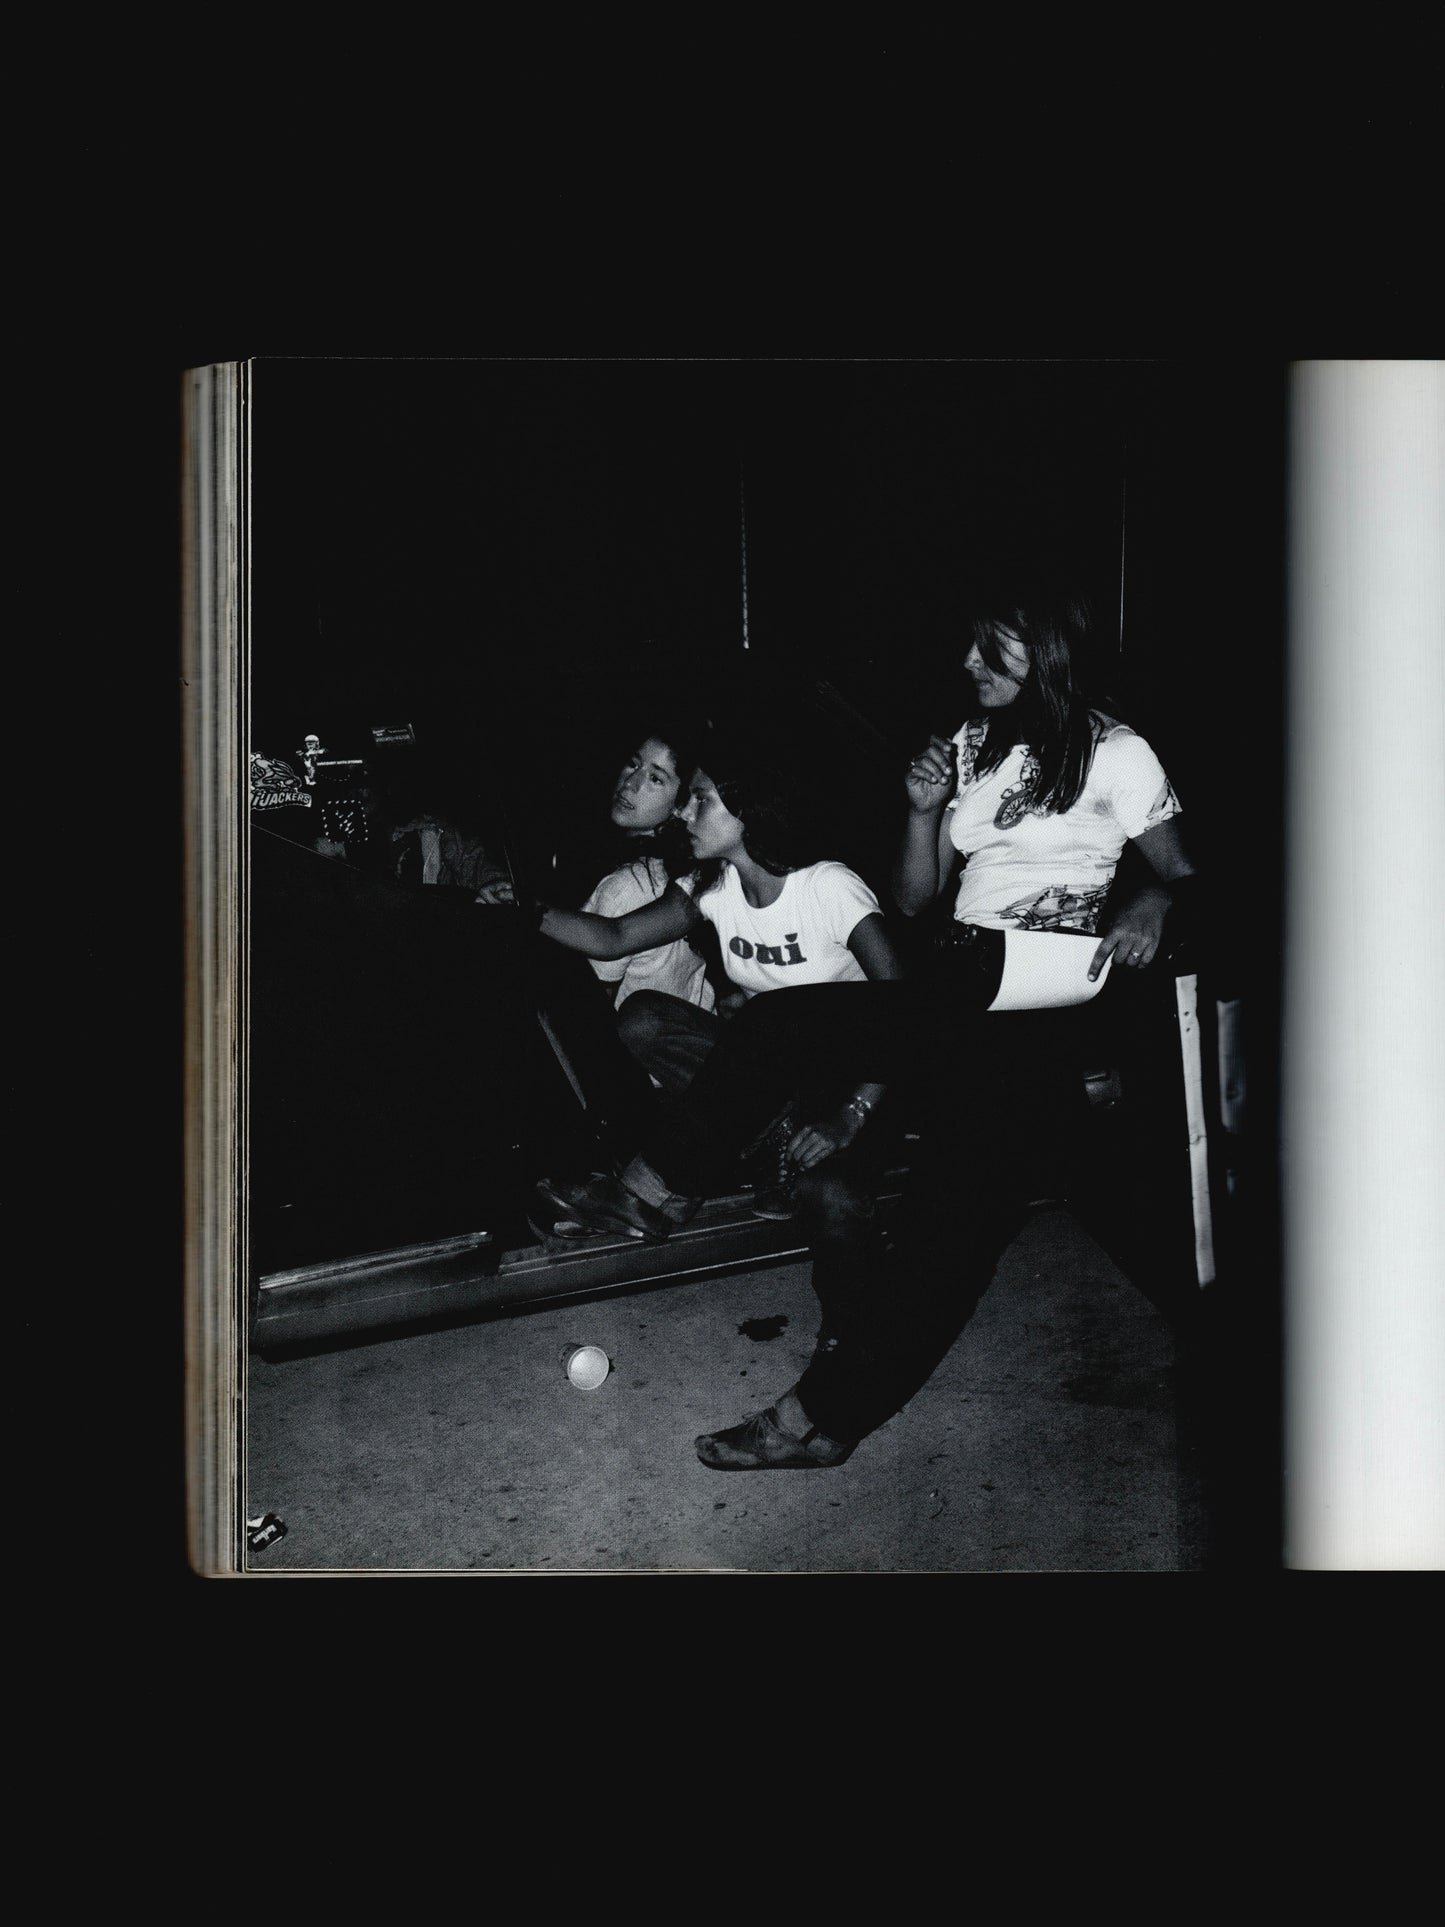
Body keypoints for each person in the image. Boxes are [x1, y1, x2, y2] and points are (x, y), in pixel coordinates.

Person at [682, 579, 1201, 1471]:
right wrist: (921, 812)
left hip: (1036, 1008)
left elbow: (1186, 874)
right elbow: (915, 898)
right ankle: (655, 1185)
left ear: (1045, 650)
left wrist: (1152, 899)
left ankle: (819, 1417)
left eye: (989, 647)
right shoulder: (970, 743)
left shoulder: (1117, 751)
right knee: (779, 1024)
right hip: (955, 982)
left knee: (940, 1236)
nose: (967, 663)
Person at [523, 749, 906, 1236]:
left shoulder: (827, 886)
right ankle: (767, 1144)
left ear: (748, 811)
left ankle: (673, 1186)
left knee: (832, 1197)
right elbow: (615, 936)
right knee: (644, 1019)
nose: (684, 812)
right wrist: (528, 910)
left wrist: (853, 1114)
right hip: (765, 1079)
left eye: (700, 799)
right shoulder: (714, 886)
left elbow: (904, 1011)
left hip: (850, 1085)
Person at [478, 727, 715, 1017]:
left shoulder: (628, 886)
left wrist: (523, 908)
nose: (630, 783)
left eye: (655, 779)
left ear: (682, 804)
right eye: (633, 764)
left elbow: (590, 1016)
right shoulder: (678, 868)